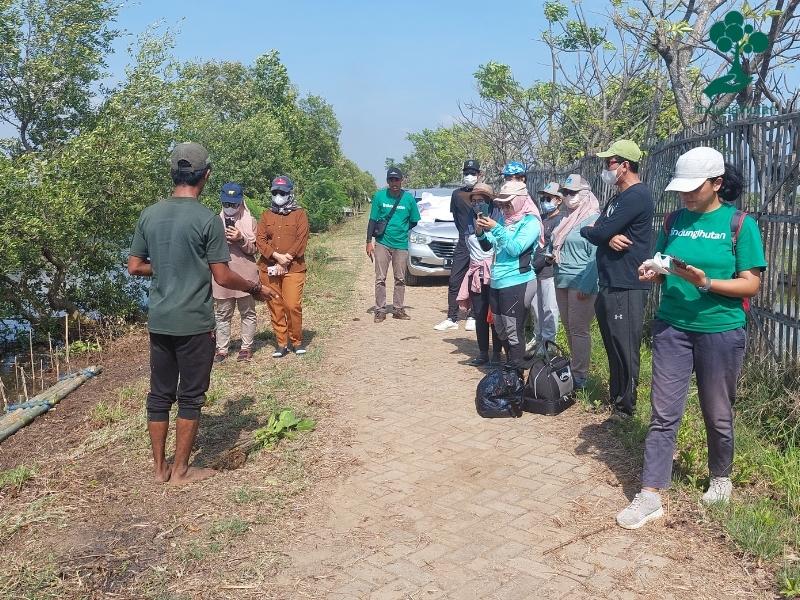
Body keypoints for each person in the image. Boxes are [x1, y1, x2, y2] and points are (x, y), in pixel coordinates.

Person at [616, 148, 766, 529]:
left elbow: (751, 284)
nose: (685, 195)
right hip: (672, 328)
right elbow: (666, 262)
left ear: (716, 184)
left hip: (720, 330)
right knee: (663, 413)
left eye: (693, 189)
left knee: (717, 411)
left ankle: (720, 478)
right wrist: (657, 271)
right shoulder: (673, 219)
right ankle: (650, 493)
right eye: (681, 189)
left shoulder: (739, 224)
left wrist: (707, 282)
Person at [128, 142, 276, 485]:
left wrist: (166, 266)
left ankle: (159, 469)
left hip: (161, 320)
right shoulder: (207, 219)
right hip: (194, 323)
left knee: (159, 394)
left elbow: (135, 266)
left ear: (173, 174)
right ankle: (180, 470)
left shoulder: (149, 214)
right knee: (191, 397)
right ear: (205, 176)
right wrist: (256, 288)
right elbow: (222, 275)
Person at [581, 139, 653, 419]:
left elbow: (596, 231)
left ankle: (626, 407)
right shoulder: (617, 197)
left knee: (625, 346)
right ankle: (616, 400)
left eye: (609, 162)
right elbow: (598, 230)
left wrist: (600, 234)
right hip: (610, 280)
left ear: (625, 165)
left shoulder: (637, 195)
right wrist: (604, 235)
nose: (605, 167)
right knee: (612, 342)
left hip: (627, 282)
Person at [476, 180, 541, 372]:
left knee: (513, 330)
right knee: (500, 328)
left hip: (518, 282)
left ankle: (516, 372)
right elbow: (489, 245)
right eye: (501, 204)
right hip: (497, 281)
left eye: (508, 203)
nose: (504, 208)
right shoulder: (505, 221)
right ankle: (512, 366)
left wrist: (496, 228)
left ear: (520, 200)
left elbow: (515, 249)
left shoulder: (531, 223)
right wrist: (480, 232)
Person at [551, 175, 601, 390]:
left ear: (584, 194)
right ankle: (574, 367)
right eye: (566, 193)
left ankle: (581, 375)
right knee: (569, 328)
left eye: (572, 193)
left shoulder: (594, 220)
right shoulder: (567, 219)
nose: (568, 197)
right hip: (562, 277)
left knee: (580, 329)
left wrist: (587, 284)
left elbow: (596, 257)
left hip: (582, 280)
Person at [256, 176, 310, 358]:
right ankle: (281, 343)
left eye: (283, 192)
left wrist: (287, 257)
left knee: (292, 304)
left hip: (293, 267)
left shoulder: (300, 214)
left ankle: (297, 341)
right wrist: (276, 256)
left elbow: (301, 239)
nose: (279, 195)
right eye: (275, 192)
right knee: (275, 305)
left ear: (290, 193)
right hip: (269, 268)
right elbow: (260, 240)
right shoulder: (266, 215)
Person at [455, 182, 503, 365]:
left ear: (489, 202)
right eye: (474, 201)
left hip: (494, 274)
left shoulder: (498, 223)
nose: (476, 204)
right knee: (480, 315)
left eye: (481, 201)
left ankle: (497, 355)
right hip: (476, 275)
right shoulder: (469, 223)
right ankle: (483, 353)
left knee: (495, 316)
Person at [367, 167, 421, 322]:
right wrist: (368, 242)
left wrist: (402, 230)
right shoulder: (379, 196)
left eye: (396, 179)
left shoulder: (408, 199)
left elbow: (414, 220)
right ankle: (380, 310)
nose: (394, 183)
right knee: (380, 278)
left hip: (401, 244)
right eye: (391, 180)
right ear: (387, 181)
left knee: (400, 278)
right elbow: (372, 220)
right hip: (382, 243)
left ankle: (398, 309)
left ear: (401, 180)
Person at [212, 182, 259, 362]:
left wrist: (241, 239)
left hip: (245, 274)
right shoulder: (214, 222)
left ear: (241, 202)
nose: (230, 208)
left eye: (234, 204)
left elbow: (254, 249)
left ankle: (246, 347)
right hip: (222, 275)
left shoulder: (250, 221)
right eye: (226, 204)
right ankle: (222, 349)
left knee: (247, 312)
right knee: (222, 313)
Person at [435, 159, 482, 332]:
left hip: (481, 242)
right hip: (463, 241)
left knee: (477, 280)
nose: (469, 176)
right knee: (455, 279)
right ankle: (451, 317)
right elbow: (456, 218)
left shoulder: (484, 194)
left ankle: (473, 316)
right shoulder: (457, 194)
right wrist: (465, 233)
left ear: (479, 174)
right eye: (466, 173)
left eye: (473, 173)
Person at [528, 182, 566, 349]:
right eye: (543, 198)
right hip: (533, 269)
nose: (544, 201)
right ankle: (538, 339)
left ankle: (549, 344)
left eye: (548, 198)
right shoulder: (540, 219)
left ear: (559, 200)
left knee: (549, 308)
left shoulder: (563, 219)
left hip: (549, 271)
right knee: (535, 308)